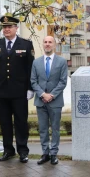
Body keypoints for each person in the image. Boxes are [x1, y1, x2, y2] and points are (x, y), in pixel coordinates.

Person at [0, 15, 35, 163]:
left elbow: (30, 69)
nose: (6, 29)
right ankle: (8, 150)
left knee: (21, 122)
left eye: (9, 27)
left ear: (16, 28)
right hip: (1, 91)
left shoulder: (26, 44)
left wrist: (30, 88)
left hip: (20, 91)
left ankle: (22, 151)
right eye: (4, 27)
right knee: (5, 122)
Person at [30, 36, 68, 165]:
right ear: (43, 44)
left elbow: (63, 82)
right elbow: (33, 81)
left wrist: (51, 95)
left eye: (50, 42)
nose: (47, 44)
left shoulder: (62, 62)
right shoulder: (36, 62)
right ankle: (45, 153)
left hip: (55, 101)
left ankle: (53, 154)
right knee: (43, 129)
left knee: (55, 128)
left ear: (54, 45)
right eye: (45, 42)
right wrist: (42, 94)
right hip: (41, 101)